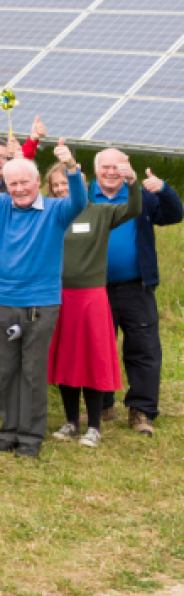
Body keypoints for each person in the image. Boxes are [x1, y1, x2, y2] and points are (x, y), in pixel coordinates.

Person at [0, 141, 86, 457]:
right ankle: (8, 432)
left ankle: (30, 437)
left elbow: (80, 200)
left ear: (36, 181)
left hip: (39, 305)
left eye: (24, 182)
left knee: (32, 372)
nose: (18, 189)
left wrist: (71, 167)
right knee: (5, 370)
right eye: (12, 183)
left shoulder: (57, 211)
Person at [44, 162, 141, 447]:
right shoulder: (51, 214)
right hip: (60, 295)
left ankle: (95, 426)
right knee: (66, 360)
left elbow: (133, 209)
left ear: (80, 183)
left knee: (91, 360)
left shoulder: (100, 212)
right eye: (56, 185)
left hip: (91, 297)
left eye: (66, 183)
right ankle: (71, 421)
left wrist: (132, 182)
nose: (62, 189)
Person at [90, 150, 181, 435]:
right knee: (98, 347)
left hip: (135, 286)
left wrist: (164, 190)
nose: (111, 171)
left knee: (142, 348)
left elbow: (173, 215)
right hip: (94, 286)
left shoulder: (142, 196)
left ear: (127, 168)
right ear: (96, 171)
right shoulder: (82, 196)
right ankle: (102, 406)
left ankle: (141, 411)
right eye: (105, 167)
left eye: (117, 166)